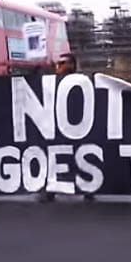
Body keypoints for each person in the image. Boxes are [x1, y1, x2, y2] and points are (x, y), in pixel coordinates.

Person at [40, 53, 95, 202]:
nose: (58, 66)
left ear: (71, 65)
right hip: (57, 127)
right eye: (58, 64)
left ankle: (87, 188)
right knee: (53, 157)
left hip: (77, 128)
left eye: (62, 63)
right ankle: (50, 189)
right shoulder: (51, 83)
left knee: (79, 157)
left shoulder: (83, 83)